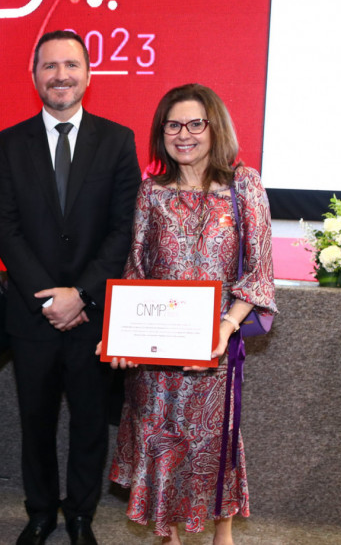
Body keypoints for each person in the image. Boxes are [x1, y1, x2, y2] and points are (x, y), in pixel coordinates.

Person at [105, 83, 276, 545]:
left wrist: (226, 327)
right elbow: (136, 271)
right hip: (155, 358)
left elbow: (259, 271)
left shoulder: (244, 185)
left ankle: (223, 537)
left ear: (214, 127)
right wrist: (120, 338)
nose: (184, 135)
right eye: (173, 125)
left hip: (213, 350)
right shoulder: (151, 193)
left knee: (214, 445)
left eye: (195, 124)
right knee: (161, 443)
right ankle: (170, 539)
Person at [0, 31, 141, 545]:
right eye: (49, 66)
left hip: (93, 315)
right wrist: (51, 296)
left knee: (90, 423)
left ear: (88, 74)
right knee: (35, 421)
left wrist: (82, 293)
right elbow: (4, 227)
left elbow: (124, 227)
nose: (61, 75)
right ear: (34, 76)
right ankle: (40, 512)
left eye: (71, 65)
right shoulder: (9, 143)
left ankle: (80, 515)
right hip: (32, 314)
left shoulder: (117, 140)